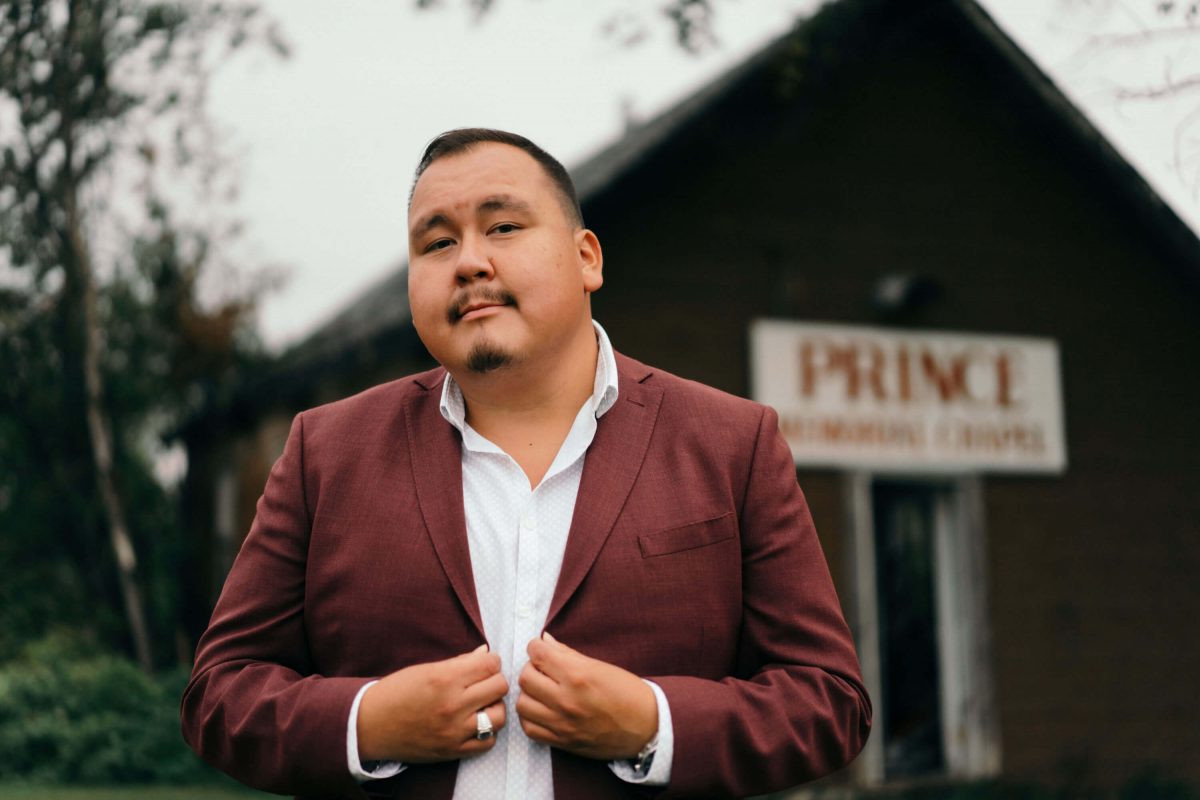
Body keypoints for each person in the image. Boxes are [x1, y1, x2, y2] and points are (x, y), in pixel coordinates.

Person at [181, 128, 871, 800]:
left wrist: (651, 722)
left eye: (503, 227)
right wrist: (370, 721)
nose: (469, 261)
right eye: (437, 241)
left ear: (587, 259)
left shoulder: (732, 445)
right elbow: (221, 694)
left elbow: (828, 701)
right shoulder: (324, 453)